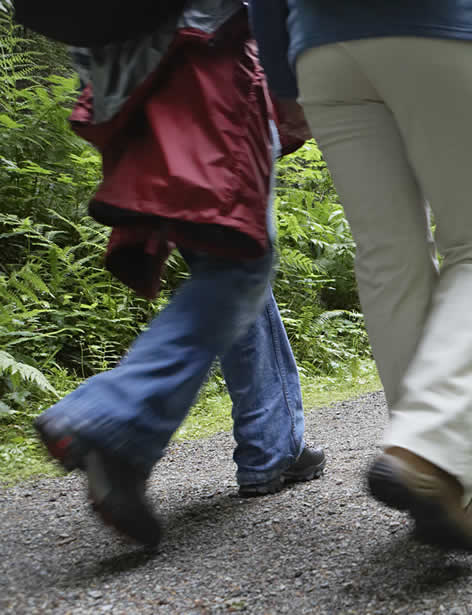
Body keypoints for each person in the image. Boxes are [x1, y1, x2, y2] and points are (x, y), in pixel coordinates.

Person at [248, 0, 472, 552]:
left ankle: (442, 481)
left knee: (387, 258)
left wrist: (280, 78)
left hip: (324, 52)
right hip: (445, 31)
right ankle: (424, 443)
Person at [33, 0, 324, 548]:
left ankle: (272, 447)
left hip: (127, 72)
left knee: (226, 257)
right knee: (238, 259)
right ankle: (111, 415)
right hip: (206, 55)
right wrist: (289, 76)